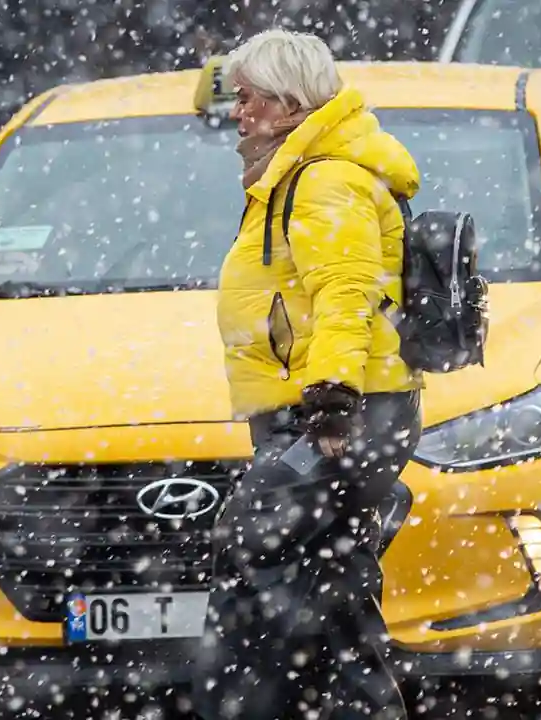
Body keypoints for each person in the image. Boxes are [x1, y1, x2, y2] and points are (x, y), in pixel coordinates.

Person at [189, 28, 424, 720]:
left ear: (291, 103)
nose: (239, 113)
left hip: (339, 413)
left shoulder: (325, 178)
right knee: (334, 588)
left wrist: (331, 402)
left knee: (251, 539)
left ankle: (244, 706)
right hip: (335, 411)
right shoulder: (298, 172)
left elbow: (347, 291)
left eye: (249, 98)